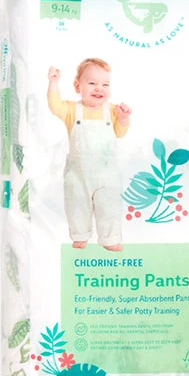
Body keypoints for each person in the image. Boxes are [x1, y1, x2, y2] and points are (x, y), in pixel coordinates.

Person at [47, 58, 132, 251]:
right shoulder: (71, 110)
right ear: (78, 86)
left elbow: (120, 133)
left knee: (109, 206)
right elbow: (54, 105)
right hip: (78, 173)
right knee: (77, 205)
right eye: (92, 83)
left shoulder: (112, 110)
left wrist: (123, 118)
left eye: (105, 84)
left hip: (107, 173)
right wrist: (53, 83)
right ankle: (80, 235)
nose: (99, 88)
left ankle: (110, 238)